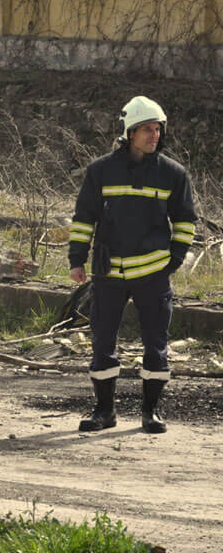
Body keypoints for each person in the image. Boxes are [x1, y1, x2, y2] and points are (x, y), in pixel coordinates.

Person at [69, 96, 197, 434]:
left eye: (157, 129)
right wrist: (76, 260)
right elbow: (84, 218)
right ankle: (103, 412)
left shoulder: (173, 174)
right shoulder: (100, 171)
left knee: (155, 345)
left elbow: (186, 221)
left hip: (153, 275)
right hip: (108, 273)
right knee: (102, 343)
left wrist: (174, 259)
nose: (154, 135)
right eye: (146, 129)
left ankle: (150, 413)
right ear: (129, 133)